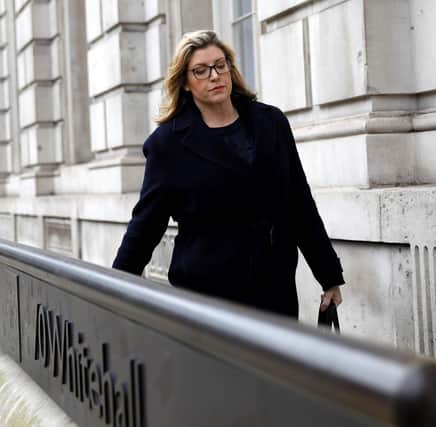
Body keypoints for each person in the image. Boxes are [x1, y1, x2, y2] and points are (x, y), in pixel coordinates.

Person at [112, 30, 345, 319]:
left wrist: (329, 274)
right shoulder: (168, 144)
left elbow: (299, 202)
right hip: (206, 296)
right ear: (184, 82)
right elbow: (146, 226)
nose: (214, 75)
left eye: (220, 65)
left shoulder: (270, 123)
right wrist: (114, 290)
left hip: (274, 287)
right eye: (201, 70)